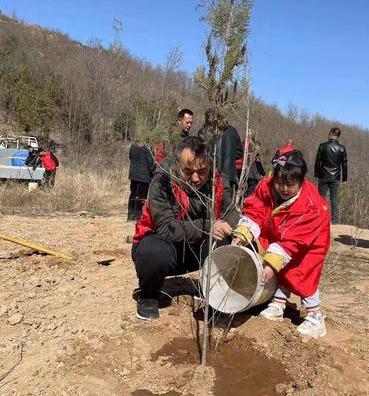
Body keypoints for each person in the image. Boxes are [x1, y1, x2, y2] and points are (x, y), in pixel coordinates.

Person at [131, 136, 239, 320]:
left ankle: (214, 294)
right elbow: (166, 228)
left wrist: (236, 230)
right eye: (188, 171)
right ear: (178, 164)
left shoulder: (218, 179)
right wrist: (208, 227)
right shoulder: (163, 180)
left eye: (202, 171)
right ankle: (148, 295)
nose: (196, 178)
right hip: (165, 247)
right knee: (153, 253)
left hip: (195, 250)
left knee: (225, 241)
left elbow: (231, 212)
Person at [231, 150, 331, 338]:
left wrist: (271, 264)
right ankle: (278, 304)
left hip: (311, 239)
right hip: (279, 232)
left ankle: (315, 316)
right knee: (281, 267)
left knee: (302, 273)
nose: (284, 188)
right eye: (279, 183)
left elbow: (292, 240)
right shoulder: (266, 187)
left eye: (290, 185)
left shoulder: (310, 205)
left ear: (301, 183)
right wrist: (243, 233)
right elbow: (255, 210)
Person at [198, 109, 243, 201]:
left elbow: (198, 152)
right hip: (229, 175)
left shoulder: (203, 132)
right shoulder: (233, 131)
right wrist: (230, 158)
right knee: (227, 208)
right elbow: (239, 152)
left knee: (208, 204)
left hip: (209, 174)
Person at [314, 127, 347, 224]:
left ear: (330, 134)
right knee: (334, 199)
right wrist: (344, 178)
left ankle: (318, 218)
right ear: (338, 136)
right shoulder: (341, 148)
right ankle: (335, 220)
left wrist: (316, 173)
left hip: (323, 175)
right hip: (335, 176)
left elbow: (317, 161)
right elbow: (344, 164)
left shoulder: (322, 146)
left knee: (320, 198)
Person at [128, 142, 156, 221]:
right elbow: (151, 163)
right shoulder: (147, 146)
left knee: (133, 195)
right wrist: (155, 174)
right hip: (144, 176)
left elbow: (130, 157)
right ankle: (138, 216)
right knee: (141, 196)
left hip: (133, 174)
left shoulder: (133, 145)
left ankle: (130, 215)